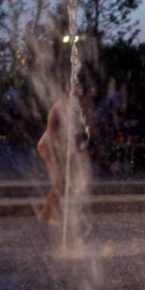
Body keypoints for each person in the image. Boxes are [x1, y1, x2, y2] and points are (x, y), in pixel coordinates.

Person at [37, 76, 96, 224]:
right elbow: (51, 131)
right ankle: (47, 214)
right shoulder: (59, 106)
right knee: (60, 180)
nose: (79, 90)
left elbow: (82, 130)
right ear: (68, 89)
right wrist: (62, 148)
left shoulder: (75, 107)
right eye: (77, 87)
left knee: (64, 180)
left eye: (80, 87)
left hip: (59, 145)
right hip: (48, 144)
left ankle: (51, 213)